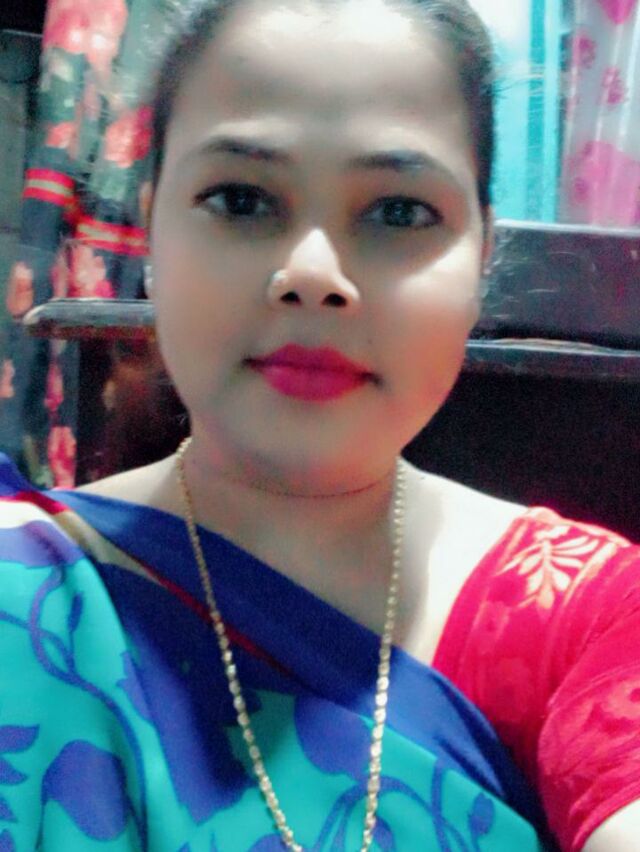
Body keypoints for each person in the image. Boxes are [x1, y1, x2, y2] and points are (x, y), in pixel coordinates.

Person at [0, 0, 639, 849]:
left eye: (399, 212)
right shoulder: (19, 589)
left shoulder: (588, 614)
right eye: (240, 199)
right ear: (151, 229)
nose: (313, 273)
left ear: (483, 257)